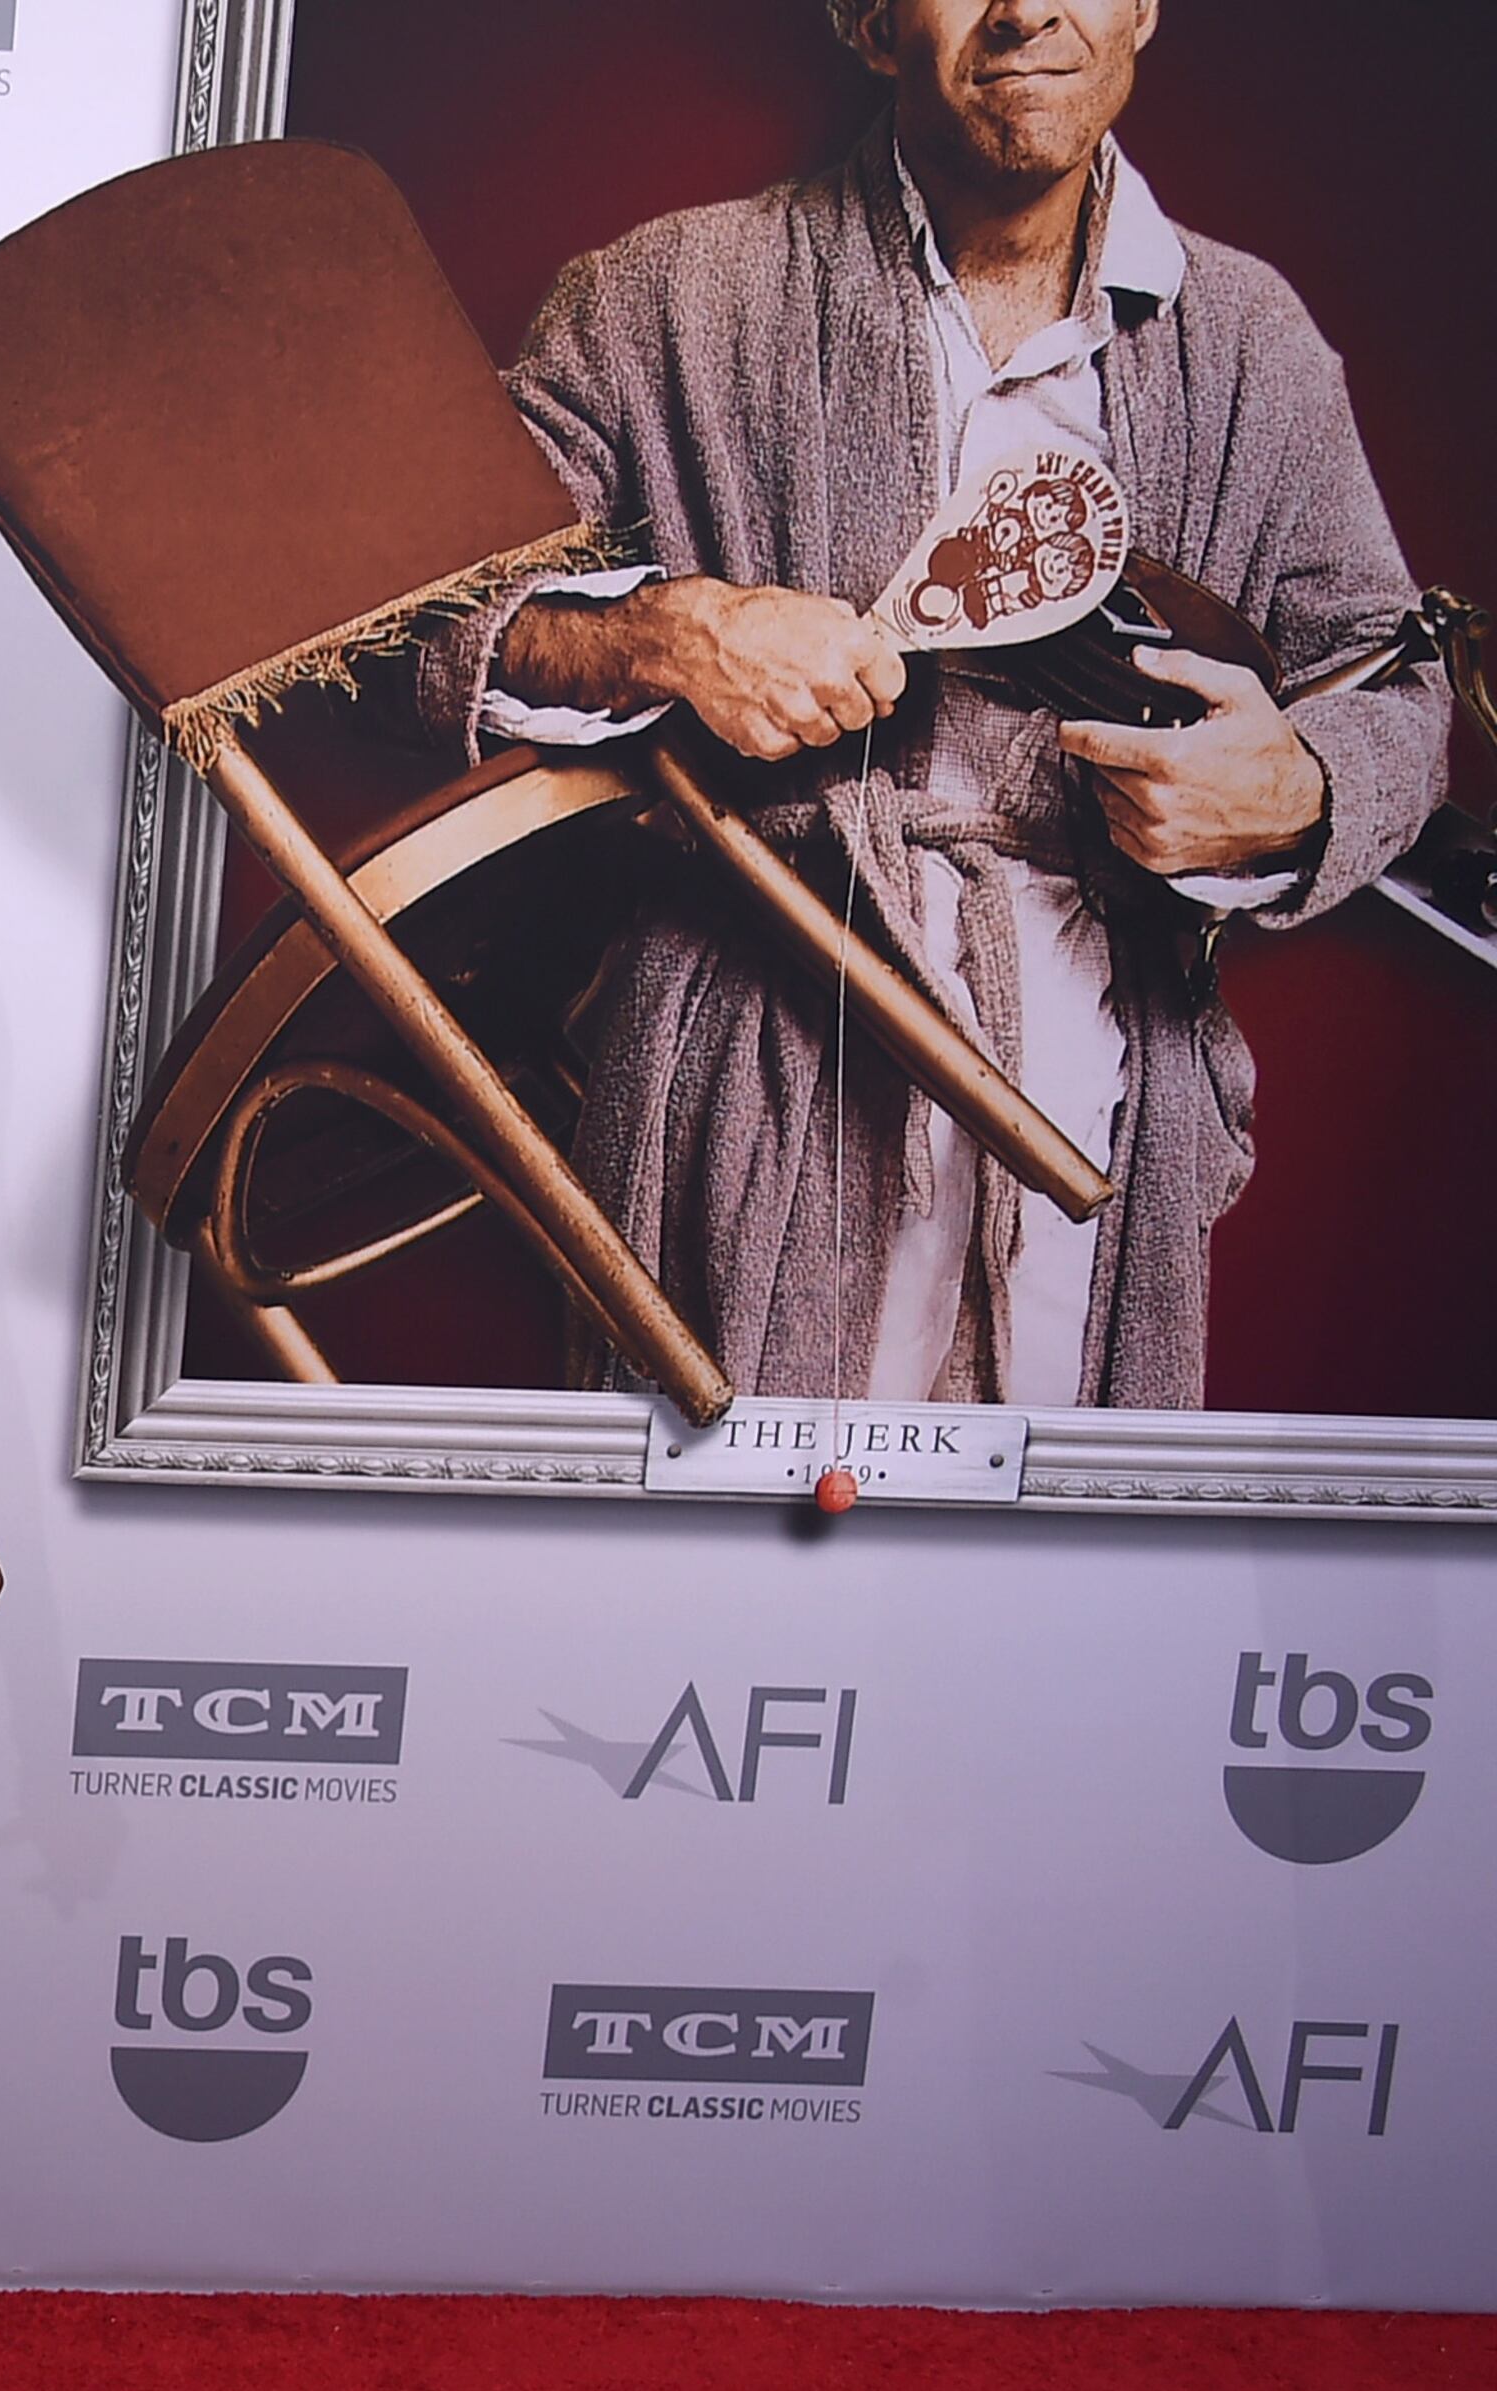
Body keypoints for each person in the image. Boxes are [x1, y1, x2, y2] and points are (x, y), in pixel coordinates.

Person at [409, 0, 1448, 1407]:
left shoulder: (1253, 345)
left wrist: (1303, 787)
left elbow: (1393, 674)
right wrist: (668, 633)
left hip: (1110, 1105)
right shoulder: (667, 298)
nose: (1027, 9)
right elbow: (421, 612)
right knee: (732, 1540)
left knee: (1058, 1544)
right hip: (758, 1073)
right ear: (864, 19)